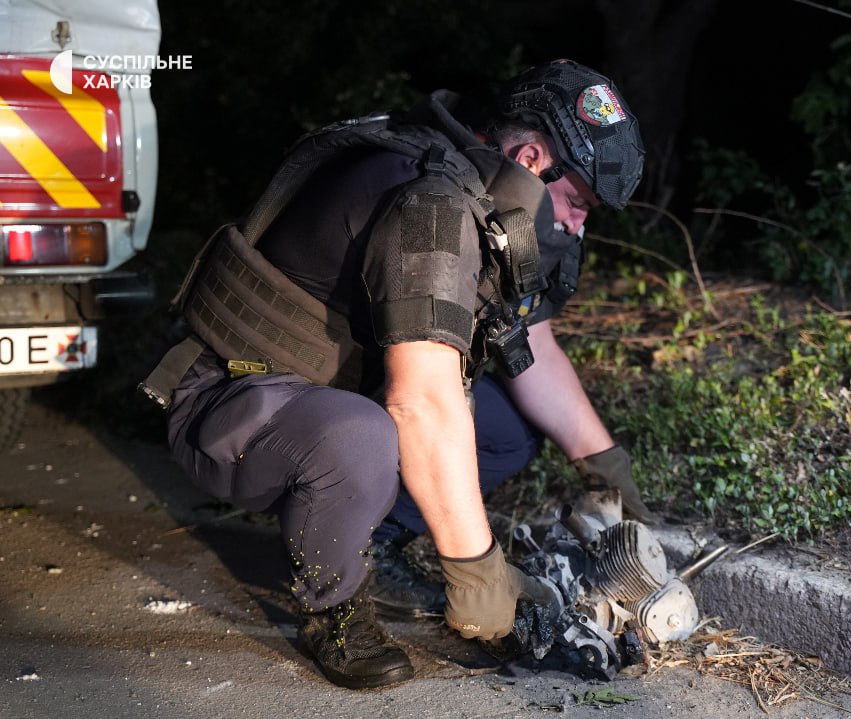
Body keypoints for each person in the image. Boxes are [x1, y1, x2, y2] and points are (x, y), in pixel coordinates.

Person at [152, 59, 651, 690]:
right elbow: (421, 402)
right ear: (530, 159)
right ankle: (334, 607)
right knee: (368, 435)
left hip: (325, 395)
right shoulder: (434, 204)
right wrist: (478, 573)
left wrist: (605, 465)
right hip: (231, 406)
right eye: (578, 204)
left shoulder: (480, 189)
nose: (578, 226)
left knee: (503, 433)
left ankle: (366, 540)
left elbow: (529, 343)